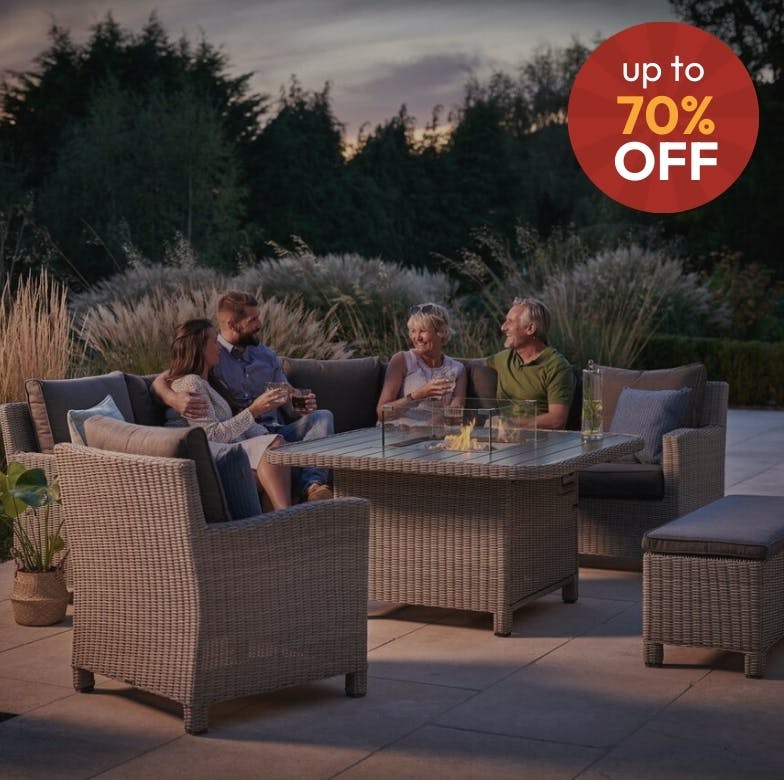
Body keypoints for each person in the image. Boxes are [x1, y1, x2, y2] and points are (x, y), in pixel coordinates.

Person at [154, 291, 334, 502]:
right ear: (232, 323)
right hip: (243, 436)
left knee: (322, 417)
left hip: (272, 429)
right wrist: (172, 398)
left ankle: (312, 486)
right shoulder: (210, 353)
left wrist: (298, 405)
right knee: (273, 446)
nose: (259, 324)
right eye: (253, 320)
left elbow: (287, 395)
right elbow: (169, 376)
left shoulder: (265, 355)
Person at [166, 318, 293, 511]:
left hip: (240, 452)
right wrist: (254, 410)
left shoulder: (213, 383)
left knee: (278, 450)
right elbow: (211, 436)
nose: (218, 347)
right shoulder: (190, 384)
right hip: (220, 456)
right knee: (274, 450)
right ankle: (287, 516)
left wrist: (269, 436)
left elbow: (244, 424)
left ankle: (275, 526)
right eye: (214, 342)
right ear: (199, 347)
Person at [487, 297, 574, 430]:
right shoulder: (503, 358)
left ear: (530, 328)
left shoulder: (556, 366)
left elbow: (557, 420)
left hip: (542, 444)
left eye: (510, 322)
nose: (503, 327)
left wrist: (510, 423)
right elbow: (469, 364)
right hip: (505, 441)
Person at [376, 302, 468, 421]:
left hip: (435, 433)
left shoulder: (457, 369)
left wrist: (435, 423)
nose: (417, 337)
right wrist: (417, 395)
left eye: (423, 331)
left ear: (442, 332)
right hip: (399, 432)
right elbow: (382, 413)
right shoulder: (402, 360)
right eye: (413, 331)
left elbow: (456, 409)